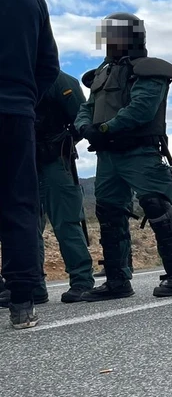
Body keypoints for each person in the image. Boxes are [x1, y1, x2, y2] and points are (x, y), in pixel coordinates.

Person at [76, 12, 172, 301]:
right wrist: (85, 127)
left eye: (114, 35)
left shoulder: (149, 70)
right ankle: (117, 280)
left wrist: (103, 128)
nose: (109, 42)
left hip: (139, 151)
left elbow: (142, 109)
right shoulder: (101, 73)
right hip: (108, 156)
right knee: (109, 214)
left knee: (157, 208)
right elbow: (87, 107)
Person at [0, 0, 60, 329]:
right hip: (15, 112)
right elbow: (50, 68)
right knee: (19, 203)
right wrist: (23, 99)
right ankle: (22, 301)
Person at [34, 70, 95, 304]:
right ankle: (33, 285)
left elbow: (81, 118)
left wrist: (62, 141)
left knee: (66, 222)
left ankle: (81, 281)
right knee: (27, 226)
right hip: (24, 162)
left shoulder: (58, 79)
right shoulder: (16, 75)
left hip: (55, 160)